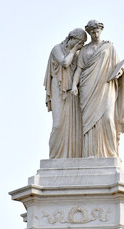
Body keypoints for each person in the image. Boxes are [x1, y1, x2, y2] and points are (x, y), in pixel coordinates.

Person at [71, 20, 124, 158]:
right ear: (89, 33)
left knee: (108, 119)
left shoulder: (109, 47)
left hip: (106, 86)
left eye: (97, 31)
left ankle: (111, 153)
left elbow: (118, 67)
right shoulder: (84, 50)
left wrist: (119, 73)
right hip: (87, 87)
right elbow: (79, 70)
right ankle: (89, 154)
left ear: (101, 30)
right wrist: (74, 85)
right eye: (92, 32)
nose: (95, 34)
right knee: (89, 124)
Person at [43, 28, 87, 158]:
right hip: (59, 88)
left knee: (73, 126)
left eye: (83, 44)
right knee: (58, 124)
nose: (81, 46)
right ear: (72, 38)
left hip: (72, 91)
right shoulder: (57, 49)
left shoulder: (78, 54)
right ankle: (54, 157)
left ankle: (71, 156)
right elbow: (64, 63)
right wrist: (73, 50)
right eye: (80, 42)